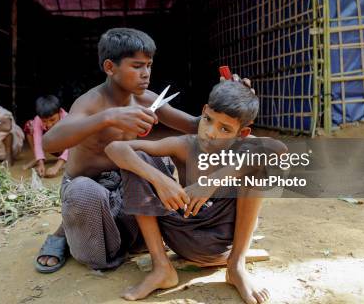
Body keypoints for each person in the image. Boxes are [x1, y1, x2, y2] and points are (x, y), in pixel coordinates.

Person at [35, 27, 253, 274]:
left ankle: (121, 234)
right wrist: (108, 118)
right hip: (89, 188)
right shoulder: (91, 102)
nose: (146, 74)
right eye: (137, 66)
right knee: (85, 195)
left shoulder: (148, 100)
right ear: (110, 67)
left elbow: (197, 125)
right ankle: (64, 231)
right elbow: (50, 143)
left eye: (149, 65)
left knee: (149, 160)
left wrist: (230, 101)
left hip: (127, 183)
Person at [105, 80, 287, 303]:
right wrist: (161, 180)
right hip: (183, 233)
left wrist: (213, 181)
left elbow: (279, 150)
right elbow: (114, 148)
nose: (210, 133)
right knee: (137, 162)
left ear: (242, 133)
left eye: (225, 129)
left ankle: (236, 267)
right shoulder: (184, 145)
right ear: (203, 112)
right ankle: (162, 268)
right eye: (208, 120)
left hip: (223, 240)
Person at [23, 95, 69, 177]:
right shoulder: (38, 119)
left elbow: (71, 145)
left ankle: (64, 160)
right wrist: (40, 163)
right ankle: (38, 158)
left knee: (76, 135)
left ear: (59, 112)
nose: (49, 124)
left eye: (52, 120)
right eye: (44, 121)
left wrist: (57, 167)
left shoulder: (67, 118)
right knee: (29, 125)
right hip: (52, 147)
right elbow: (37, 141)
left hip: (67, 149)